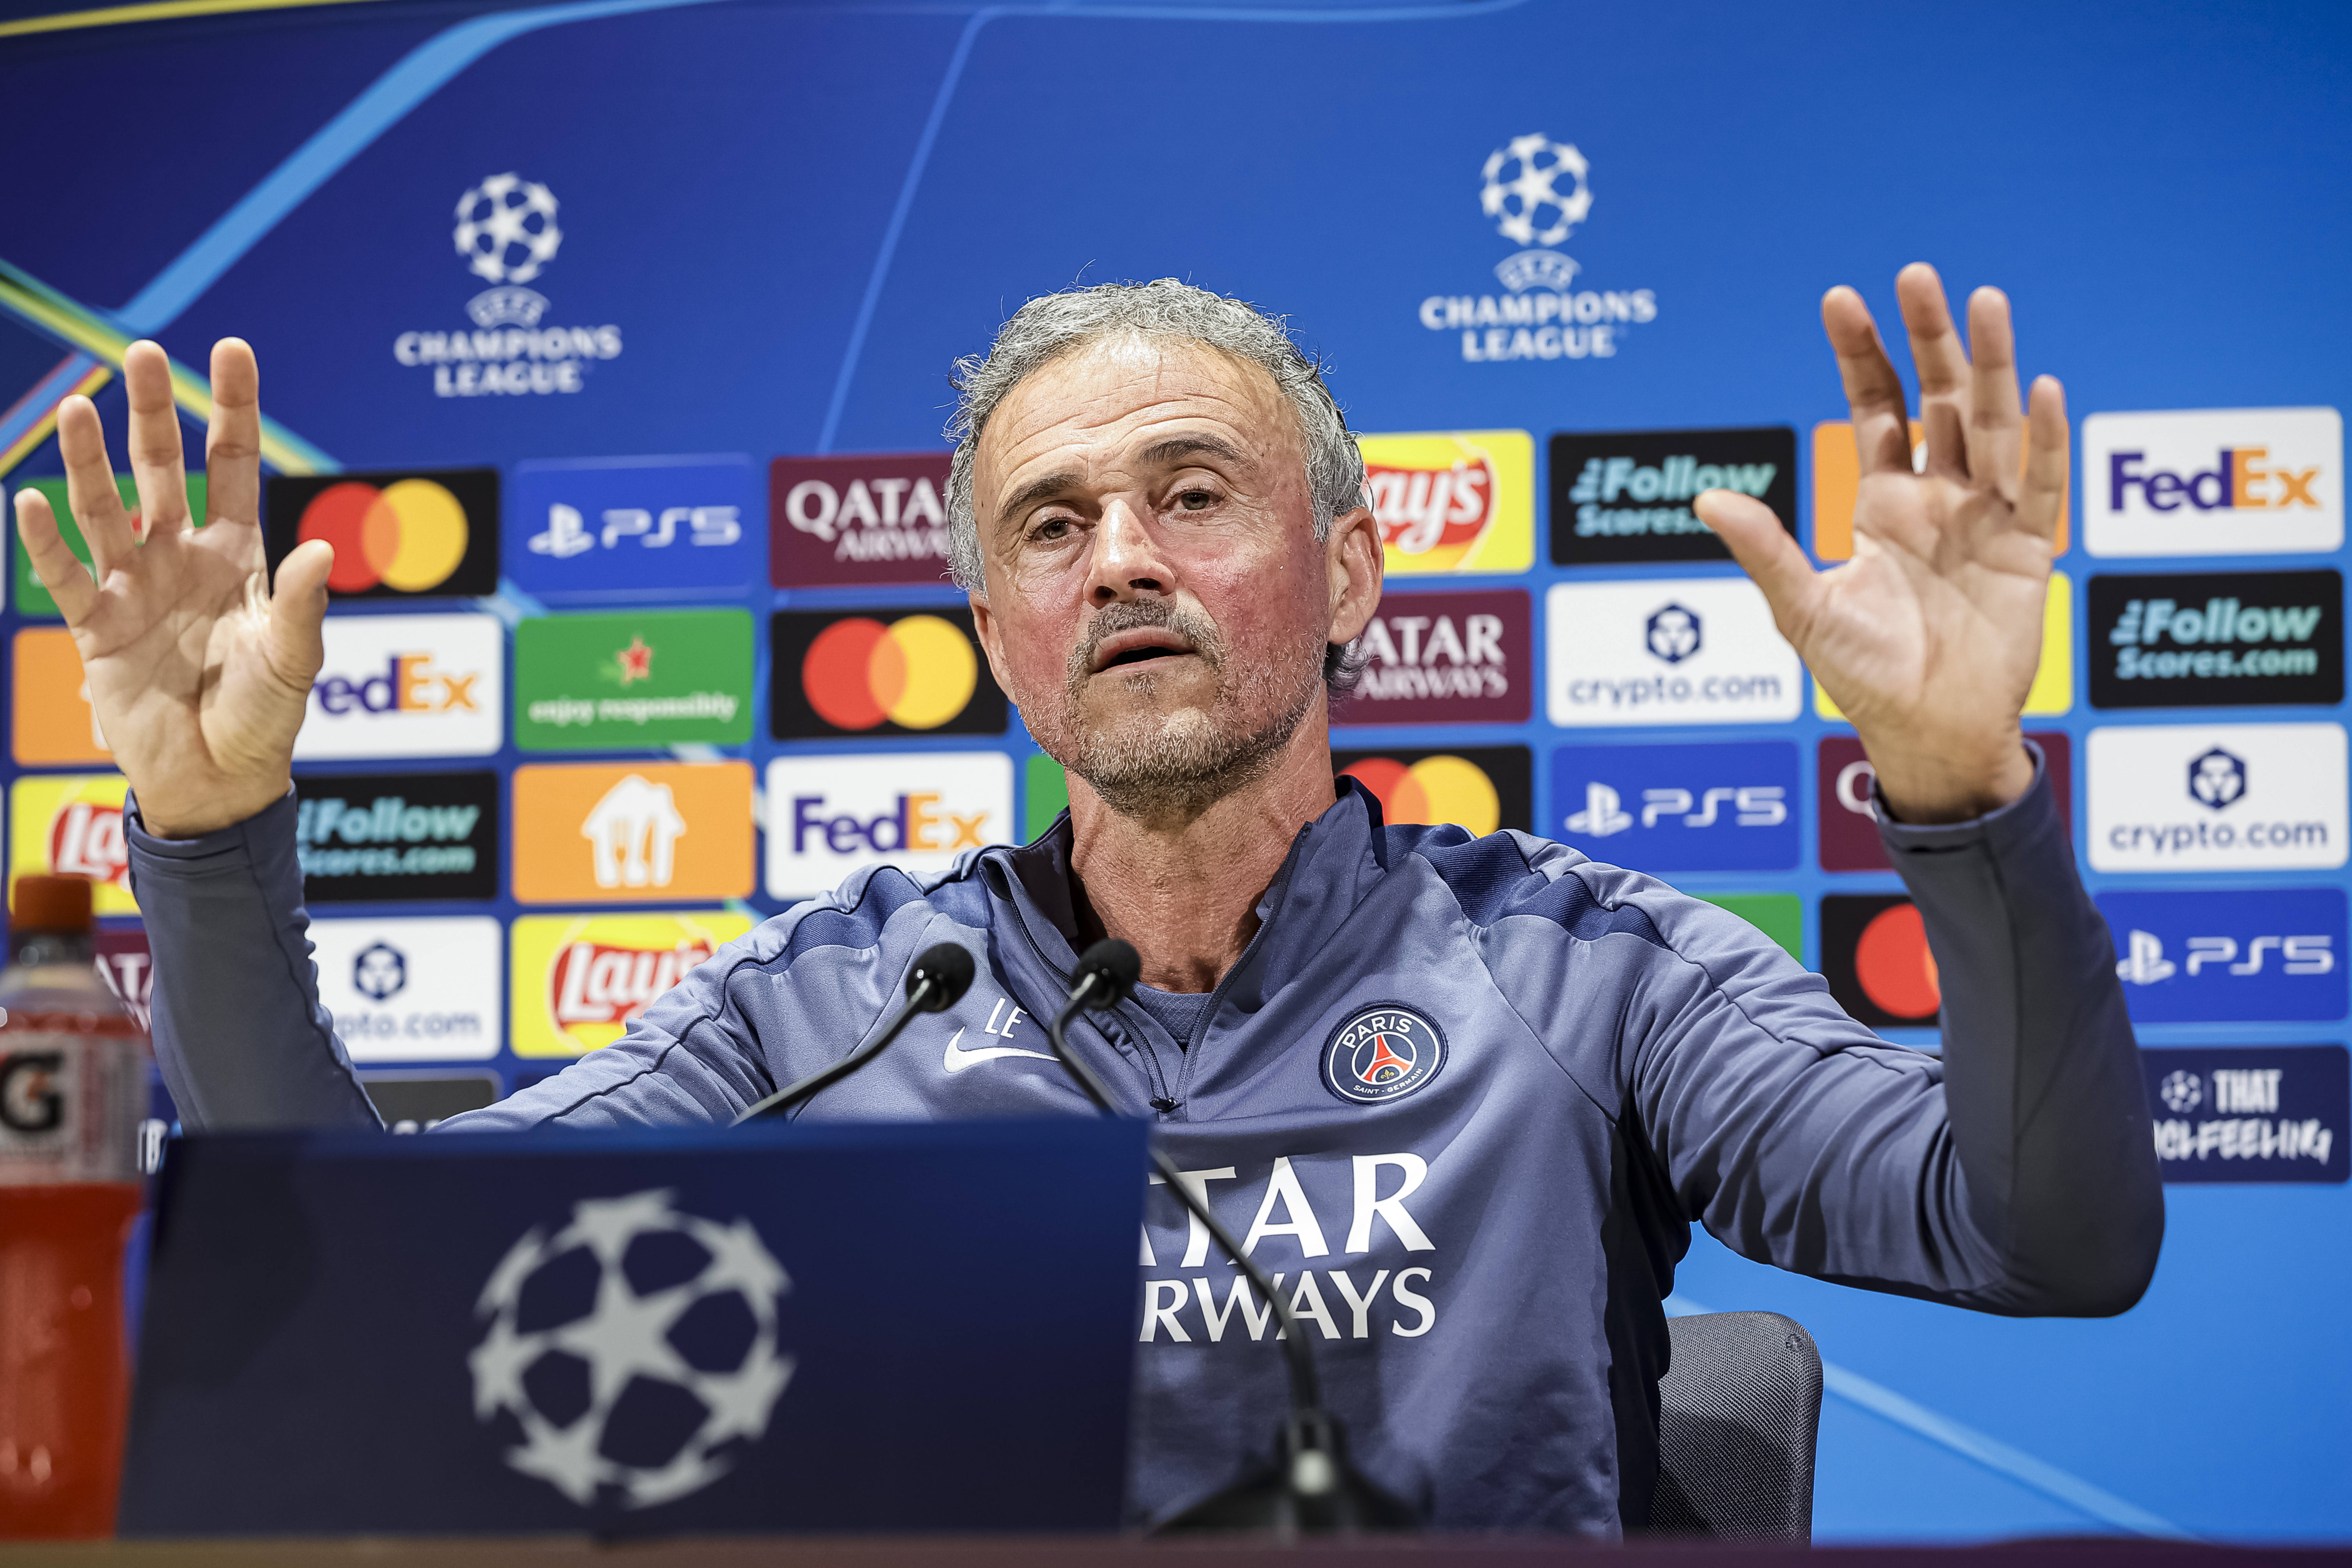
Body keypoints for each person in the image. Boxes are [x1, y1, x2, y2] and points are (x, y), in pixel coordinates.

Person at [18, 267, 2162, 1534]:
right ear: (1000, 623)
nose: (1119, 554)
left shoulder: (1582, 966)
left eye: (1191, 495)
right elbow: (370, 1286)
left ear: (1348, 578)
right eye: (1052, 523)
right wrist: (211, 835)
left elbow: (2050, 1234)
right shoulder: (832, 1001)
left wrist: (1963, 790)